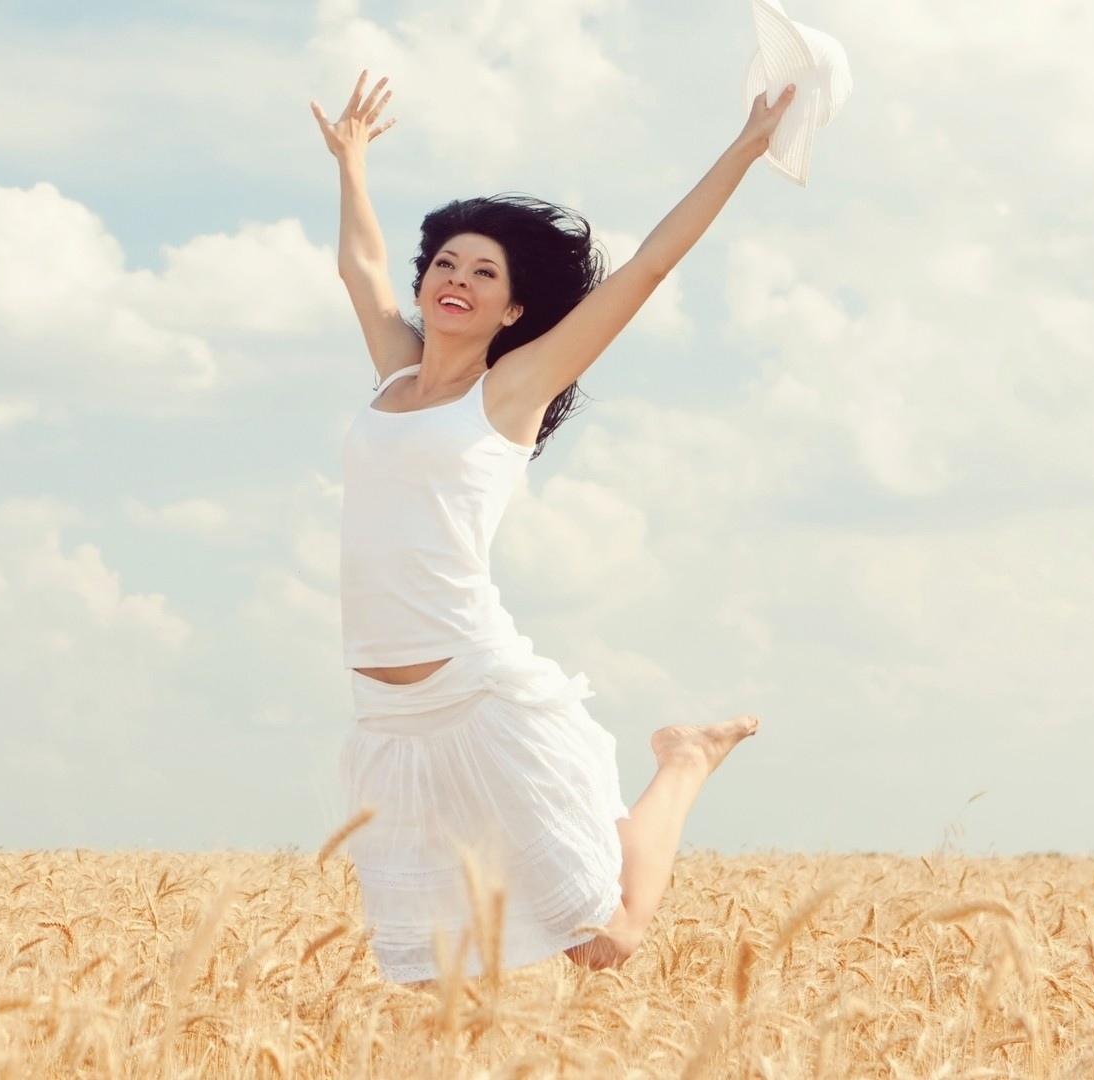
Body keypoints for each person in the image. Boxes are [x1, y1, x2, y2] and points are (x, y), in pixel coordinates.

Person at [313, 70, 796, 982]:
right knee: (434, 971)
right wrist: (352, 162)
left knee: (602, 941)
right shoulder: (393, 377)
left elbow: (651, 264)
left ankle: (686, 761)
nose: (457, 279)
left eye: (483, 273)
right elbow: (358, 266)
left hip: (479, 693)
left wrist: (743, 148)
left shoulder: (511, 390)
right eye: (446, 264)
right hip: (385, 717)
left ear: (515, 308)